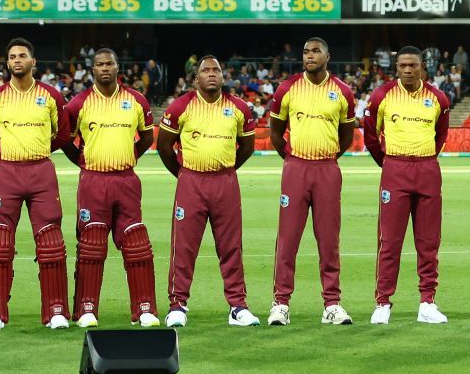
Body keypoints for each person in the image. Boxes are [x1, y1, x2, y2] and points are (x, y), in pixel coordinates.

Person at [157, 56, 261, 327]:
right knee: (184, 246)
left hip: (225, 181)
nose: (212, 74)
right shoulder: (181, 107)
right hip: (191, 181)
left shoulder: (239, 108)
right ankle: (177, 305)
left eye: (217, 69)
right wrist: (183, 175)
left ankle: (238, 306)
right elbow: (164, 147)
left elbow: (247, 147)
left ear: (223, 76)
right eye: (206, 70)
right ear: (196, 78)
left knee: (231, 246)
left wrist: (226, 170)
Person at [61, 48, 159, 328]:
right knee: (91, 245)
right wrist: (84, 161)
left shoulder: (136, 100)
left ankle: (144, 309)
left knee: (135, 244)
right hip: (93, 181)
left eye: (110, 63)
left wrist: (126, 159)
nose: (105, 68)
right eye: (100, 64)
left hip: (126, 180)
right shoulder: (78, 104)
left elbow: (145, 139)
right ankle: (86, 309)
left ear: (118, 67)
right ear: (92, 69)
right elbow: (67, 142)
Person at [0, 38, 70, 330]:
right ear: (7, 63)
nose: (17, 60)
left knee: (51, 241)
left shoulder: (51, 96)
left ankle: (55, 311)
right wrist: (6, 164)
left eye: (22, 56)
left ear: (33, 62)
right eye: (12, 56)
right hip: (7, 173)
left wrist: (36, 152)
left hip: (41, 171)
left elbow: (62, 135)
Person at [265, 37, 357, 326]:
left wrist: (326, 157)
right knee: (288, 238)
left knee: (329, 239)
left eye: (316, 51)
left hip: (327, 169)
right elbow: (276, 132)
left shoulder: (342, 92)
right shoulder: (287, 88)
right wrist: (293, 159)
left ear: (327, 56)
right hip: (296, 168)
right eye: (305, 51)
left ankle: (332, 303)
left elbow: (346, 136)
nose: (309, 55)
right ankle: (280, 303)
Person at [359, 46, 451, 325]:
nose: (407, 70)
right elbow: (371, 136)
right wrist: (388, 163)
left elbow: (440, 136)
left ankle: (427, 302)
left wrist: (422, 159)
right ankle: (383, 302)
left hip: (427, 168)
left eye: (412, 65)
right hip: (395, 169)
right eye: (402, 66)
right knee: (389, 241)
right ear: (396, 67)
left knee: (428, 242)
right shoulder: (381, 96)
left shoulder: (438, 98)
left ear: (422, 66)